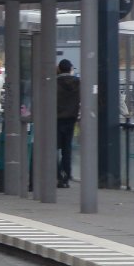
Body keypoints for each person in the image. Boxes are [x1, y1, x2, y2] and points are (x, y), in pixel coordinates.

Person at [56, 59, 80, 188]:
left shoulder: (54, 83)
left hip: (55, 120)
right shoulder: (77, 83)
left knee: (53, 149)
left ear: (59, 69)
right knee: (67, 150)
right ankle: (65, 176)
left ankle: (57, 175)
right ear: (70, 69)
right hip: (71, 120)